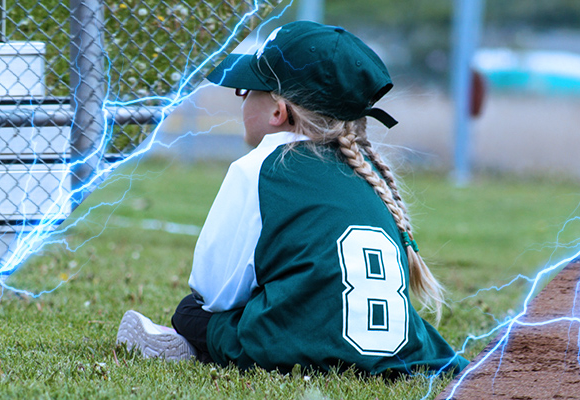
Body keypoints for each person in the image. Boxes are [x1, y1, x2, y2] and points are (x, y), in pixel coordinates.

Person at [115, 21, 468, 375]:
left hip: (299, 347)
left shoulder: (260, 167)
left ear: (278, 112)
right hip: (392, 351)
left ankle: (187, 346)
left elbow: (214, 293)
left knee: (189, 312)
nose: (241, 98)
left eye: (247, 89)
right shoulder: (366, 174)